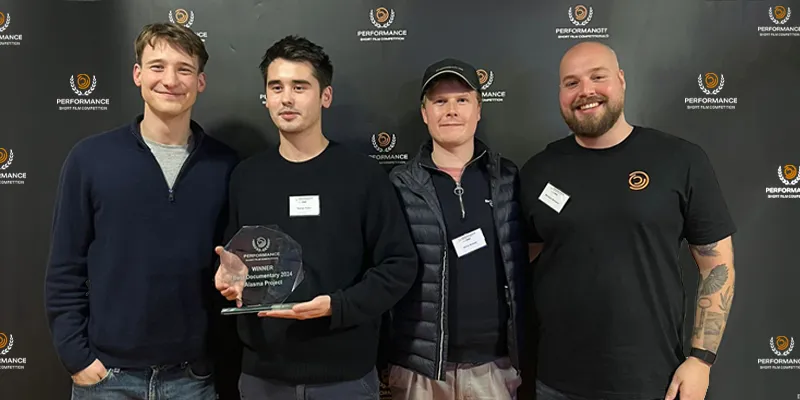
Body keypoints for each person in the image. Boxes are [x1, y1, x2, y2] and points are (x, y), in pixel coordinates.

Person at [519, 41, 737, 400]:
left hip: (654, 383)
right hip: (557, 383)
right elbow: (522, 258)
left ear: (621, 80)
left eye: (598, 77)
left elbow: (717, 265)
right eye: (571, 82)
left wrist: (701, 360)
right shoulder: (537, 171)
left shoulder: (680, 160)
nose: (585, 91)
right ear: (560, 93)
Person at [213, 35, 418, 400]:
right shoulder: (246, 177)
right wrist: (230, 280)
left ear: (325, 96)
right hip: (263, 377)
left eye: (299, 86)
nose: (286, 98)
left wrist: (338, 307)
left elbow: (399, 265)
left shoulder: (363, 176)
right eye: (276, 87)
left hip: (345, 377)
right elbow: (235, 261)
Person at [45, 22, 239, 400]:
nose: (170, 79)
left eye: (184, 69)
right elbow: (65, 267)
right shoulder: (90, 159)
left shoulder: (226, 165)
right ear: (137, 74)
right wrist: (77, 358)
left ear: (200, 82)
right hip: (107, 379)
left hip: (194, 378)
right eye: (157, 66)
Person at [385, 58, 527, 400]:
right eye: (439, 101)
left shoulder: (507, 177)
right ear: (424, 113)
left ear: (478, 109)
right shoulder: (399, 184)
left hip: (494, 367)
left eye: (462, 100)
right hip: (421, 370)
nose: (451, 110)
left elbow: (529, 252)